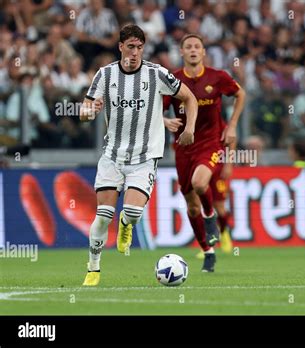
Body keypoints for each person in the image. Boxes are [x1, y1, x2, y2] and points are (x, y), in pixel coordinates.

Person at [79, 24, 198, 286]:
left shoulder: (156, 74)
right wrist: (91, 110)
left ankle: (127, 223)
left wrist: (189, 128)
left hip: (144, 157)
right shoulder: (105, 74)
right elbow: (83, 113)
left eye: (139, 47)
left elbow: (190, 98)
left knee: (132, 213)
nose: (135, 52)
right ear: (120, 46)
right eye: (130, 47)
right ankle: (93, 268)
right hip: (112, 156)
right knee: (102, 216)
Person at [163, 34, 245, 272]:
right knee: (191, 206)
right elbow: (160, 108)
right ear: (181, 52)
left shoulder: (217, 77)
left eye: (197, 46)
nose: (192, 50)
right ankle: (208, 252)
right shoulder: (173, 80)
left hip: (210, 144)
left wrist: (232, 125)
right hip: (183, 147)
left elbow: (241, 94)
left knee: (201, 184)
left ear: (203, 52)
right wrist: (165, 120)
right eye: (187, 47)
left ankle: (211, 218)